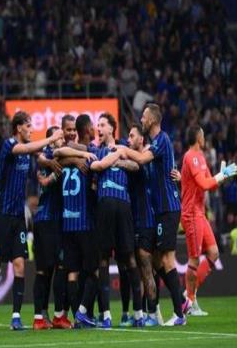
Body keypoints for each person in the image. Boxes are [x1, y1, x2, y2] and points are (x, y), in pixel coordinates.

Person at [0, 111, 64, 332]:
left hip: (18, 217)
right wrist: (52, 138)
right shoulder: (9, 145)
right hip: (2, 215)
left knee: (19, 264)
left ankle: (16, 318)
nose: (31, 130)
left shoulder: (28, 150)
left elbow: (40, 154)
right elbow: (27, 149)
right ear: (18, 128)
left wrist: (50, 160)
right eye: (28, 126)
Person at [121, 103, 187, 326]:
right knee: (158, 260)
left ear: (153, 120)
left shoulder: (162, 140)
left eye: (144, 116)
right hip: (160, 211)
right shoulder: (155, 145)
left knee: (166, 259)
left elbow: (141, 160)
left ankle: (179, 313)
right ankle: (182, 301)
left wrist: (121, 150)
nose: (141, 119)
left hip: (169, 208)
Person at [53, 114, 119, 328]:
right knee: (95, 269)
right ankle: (85, 313)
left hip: (67, 222)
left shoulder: (67, 153)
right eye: (93, 126)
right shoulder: (91, 154)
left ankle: (78, 316)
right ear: (88, 130)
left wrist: (73, 159)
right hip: (85, 221)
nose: (95, 129)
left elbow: (59, 154)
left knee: (73, 273)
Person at [88, 113, 144, 328]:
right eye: (97, 125)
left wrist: (118, 160)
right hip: (104, 205)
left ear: (112, 128)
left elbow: (136, 166)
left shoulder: (123, 147)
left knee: (129, 258)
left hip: (123, 205)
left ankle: (138, 314)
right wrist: (110, 161)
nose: (98, 128)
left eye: (102, 125)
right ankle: (106, 315)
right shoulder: (95, 150)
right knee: (103, 258)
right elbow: (94, 168)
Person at [179, 125, 237, 316]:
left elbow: (209, 186)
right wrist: (221, 175)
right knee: (194, 259)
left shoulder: (201, 157)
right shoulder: (191, 157)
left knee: (213, 253)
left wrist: (221, 178)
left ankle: (189, 295)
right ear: (198, 137)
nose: (205, 138)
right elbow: (204, 184)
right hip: (190, 213)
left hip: (200, 212)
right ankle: (188, 302)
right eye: (203, 135)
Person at [32, 125, 68, 330]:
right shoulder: (49, 154)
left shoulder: (49, 157)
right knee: (47, 270)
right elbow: (45, 159)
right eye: (59, 136)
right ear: (51, 140)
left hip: (54, 221)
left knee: (56, 269)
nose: (62, 140)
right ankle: (42, 316)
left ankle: (52, 315)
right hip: (47, 220)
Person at [126, 123, 161, 326]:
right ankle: (141, 313)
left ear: (141, 139)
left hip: (147, 221)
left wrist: (120, 156)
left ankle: (152, 313)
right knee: (140, 270)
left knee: (147, 268)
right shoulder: (134, 156)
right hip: (135, 221)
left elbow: (136, 165)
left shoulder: (146, 157)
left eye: (132, 136)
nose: (128, 139)